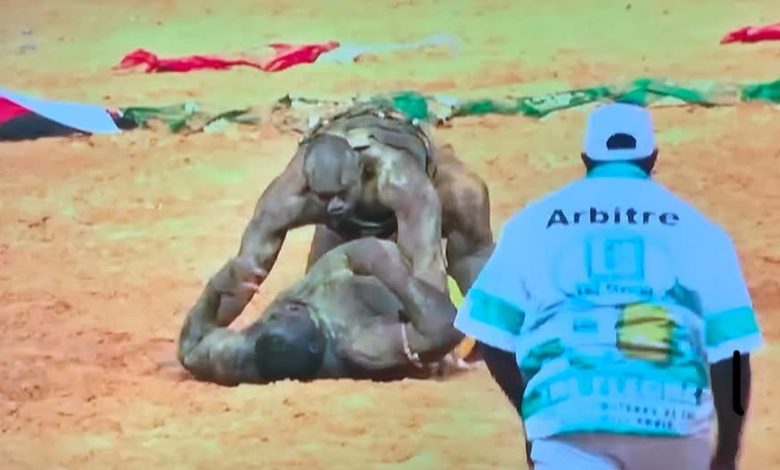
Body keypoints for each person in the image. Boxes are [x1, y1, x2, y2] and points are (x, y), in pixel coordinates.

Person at [453, 102, 763, 470]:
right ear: (651, 158)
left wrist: (533, 413)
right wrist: (727, 453)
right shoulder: (702, 231)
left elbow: (490, 335)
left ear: (586, 157)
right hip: (673, 428)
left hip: (567, 421)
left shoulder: (531, 224)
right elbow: (733, 355)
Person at [212, 103, 493, 327]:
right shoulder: (288, 196)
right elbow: (245, 271)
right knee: (325, 308)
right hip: (347, 221)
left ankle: (495, 322)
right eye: (324, 198)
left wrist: (436, 337)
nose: (333, 204)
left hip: (406, 165)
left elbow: (426, 265)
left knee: (466, 197)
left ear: (362, 174)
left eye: (340, 196)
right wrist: (205, 329)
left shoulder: (400, 181)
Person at [177, 238, 466, 386]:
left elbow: (191, 347)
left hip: (375, 275)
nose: (285, 308)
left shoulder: (249, 355)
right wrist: (391, 270)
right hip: (436, 299)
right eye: (291, 313)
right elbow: (448, 326)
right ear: (318, 341)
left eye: (272, 316)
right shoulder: (359, 344)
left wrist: (216, 288)